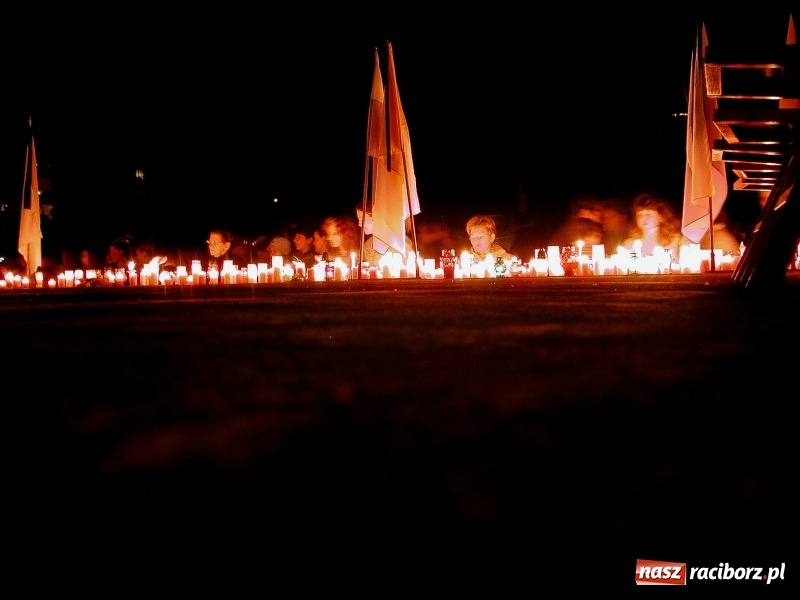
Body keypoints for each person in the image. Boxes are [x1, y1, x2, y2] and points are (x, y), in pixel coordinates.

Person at [621, 192, 683, 257]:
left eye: (648, 214)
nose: (643, 218)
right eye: (639, 215)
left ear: (661, 216)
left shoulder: (675, 242)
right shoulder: (630, 245)